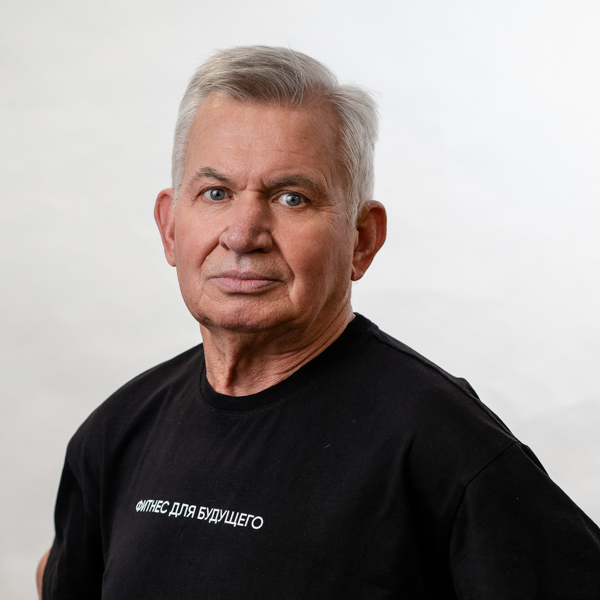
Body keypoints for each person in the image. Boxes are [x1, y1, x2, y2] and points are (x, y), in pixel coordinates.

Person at [40, 46, 600, 599]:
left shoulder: (444, 447)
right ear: (169, 227)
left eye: (292, 198)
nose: (242, 234)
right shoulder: (116, 432)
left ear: (362, 239)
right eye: (216, 193)